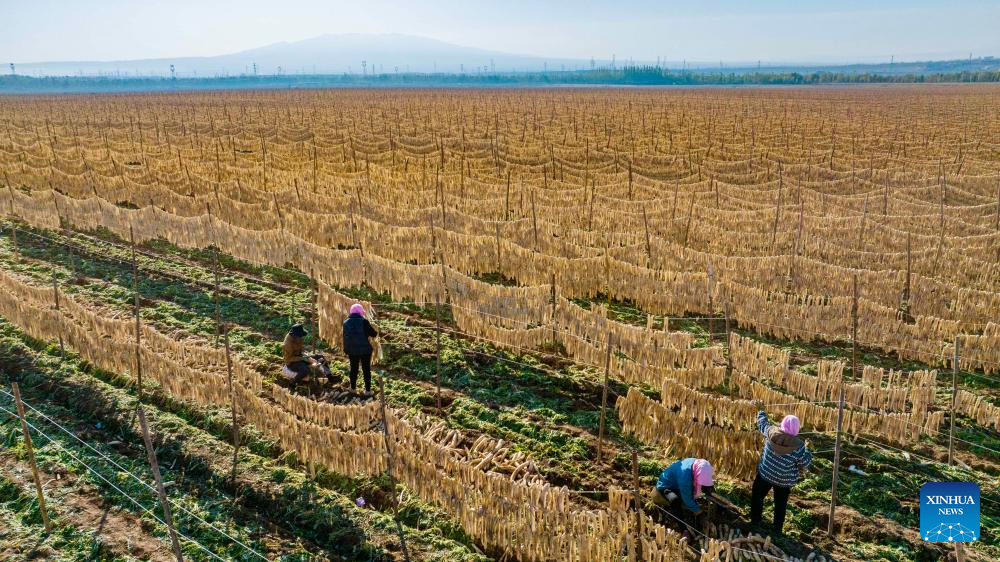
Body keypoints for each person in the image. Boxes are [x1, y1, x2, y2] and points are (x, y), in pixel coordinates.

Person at [750, 402, 813, 536]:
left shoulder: (771, 432)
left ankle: (755, 521)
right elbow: (805, 463)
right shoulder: (799, 446)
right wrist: (809, 450)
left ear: (782, 424)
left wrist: (761, 411)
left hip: (765, 474)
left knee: (757, 496)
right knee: (780, 505)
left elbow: (762, 423)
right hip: (784, 481)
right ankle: (777, 530)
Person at [654, 458, 714, 533]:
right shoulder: (685, 477)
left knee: (691, 497)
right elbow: (687, 500)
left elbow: (704, 478)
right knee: (675, 501)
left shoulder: (700, 464)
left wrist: (708, 488)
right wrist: (700, 514)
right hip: (666, 487)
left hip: (678, 483)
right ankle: (683, 529)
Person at [343, 303, 378, 395]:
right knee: (366, 369)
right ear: (360, 311)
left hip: (352, 350)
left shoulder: (346, 323)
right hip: (365, 350)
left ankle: (353, 388)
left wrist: (346, 350)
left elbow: (346, 338)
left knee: (353, 369)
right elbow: (374, 334)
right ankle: (367, 391)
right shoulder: (364, 321)